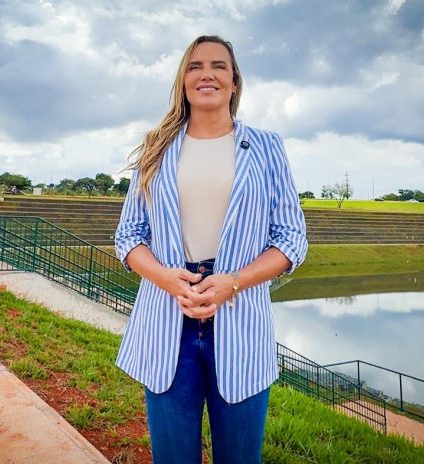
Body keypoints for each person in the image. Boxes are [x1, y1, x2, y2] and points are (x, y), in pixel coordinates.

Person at [115, 35, 307, 464]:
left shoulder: (267, 147)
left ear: (234, 81)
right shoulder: (157, 147)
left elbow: (291, 238)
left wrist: (232, 282)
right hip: (168, 320)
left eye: (219, 66)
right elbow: (129, 234)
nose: (207, 74)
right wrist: (166, 279)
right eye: (195, 66)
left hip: (240, 318)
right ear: (183, 80)